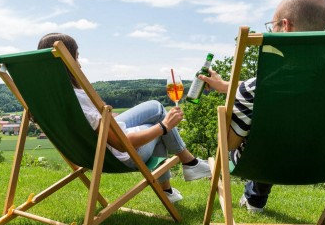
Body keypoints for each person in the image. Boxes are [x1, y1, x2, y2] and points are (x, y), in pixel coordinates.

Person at [38, 33, 211, 203]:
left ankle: (180, 176)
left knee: (155, 107)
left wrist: (109, 117)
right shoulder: (79, 99)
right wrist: (164, 126)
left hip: (87, 150)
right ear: (67, 61)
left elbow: (92, 123)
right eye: (76, 57)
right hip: (118, 155)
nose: (80, 65)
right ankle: (188, 166)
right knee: (158, 128)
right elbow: (122, 143)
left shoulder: (44, 96)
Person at [199, 0, 325, 213]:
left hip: (263, 163)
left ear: (286, 26)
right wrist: (226, 87)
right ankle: (254, 200)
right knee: (282, 122)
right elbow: (269, 89)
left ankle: (253, 199)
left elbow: (229, 145)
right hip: (320, 163)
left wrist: (235, 102)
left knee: (259, 130)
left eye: (274, 25)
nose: (272, 30)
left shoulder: (254, 89)